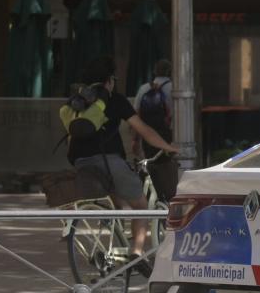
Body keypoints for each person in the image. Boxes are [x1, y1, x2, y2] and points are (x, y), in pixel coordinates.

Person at [67, 56, 178, 261]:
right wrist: (168, 146)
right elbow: (143, 130)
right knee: (141, 206)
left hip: (80, 162)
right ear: (109, 81)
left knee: (116, 200)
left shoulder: (78, 102)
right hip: (108, 161)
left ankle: (113, 244)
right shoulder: (115, 100)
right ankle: (136, 253)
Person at [133, 59, 179, 203]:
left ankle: (153, 196)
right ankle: (167, 197)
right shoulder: (174, 88)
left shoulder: (144, 88)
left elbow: (136, 114)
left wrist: (135, 139)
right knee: (166, 167)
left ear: (154, 71)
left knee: (150, 165)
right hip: (167, 135)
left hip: (147, 135)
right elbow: (175, 114)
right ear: (170, 72)